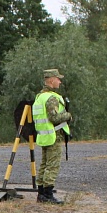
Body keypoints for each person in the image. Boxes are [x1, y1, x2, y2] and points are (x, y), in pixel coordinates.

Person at [31, 69, 72, 204]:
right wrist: (68, 115)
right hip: (54, 136)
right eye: (58, 79)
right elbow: (54, 118)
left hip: (44, 136)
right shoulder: (51, 98)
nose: (60, 81)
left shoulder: (39, 97)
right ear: (51, 80)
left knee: (44, 165)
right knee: (52, 166)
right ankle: (48, 195)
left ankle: (41, 194)